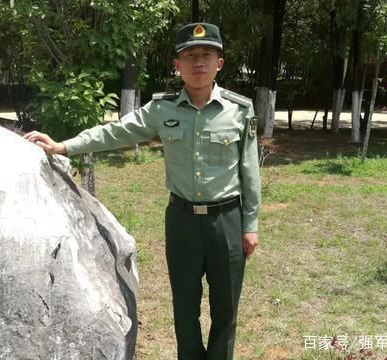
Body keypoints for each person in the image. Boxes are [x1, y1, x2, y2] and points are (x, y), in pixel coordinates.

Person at [24, 23, 260, 360]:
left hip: (227, 221)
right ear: (176, 65)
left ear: (219, 63)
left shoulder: (239, 110)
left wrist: (250, 224)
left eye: (206, 55)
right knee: (184, 307)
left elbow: (249, 171)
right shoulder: (162, 110)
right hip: (182, 222)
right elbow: (116, 132)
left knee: (225, 309)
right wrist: (64, 145)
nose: (198, 63)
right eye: (189, 56)